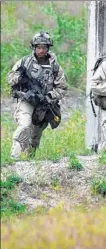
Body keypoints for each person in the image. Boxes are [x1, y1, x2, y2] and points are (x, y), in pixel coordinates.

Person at [7, 31, 67, 159]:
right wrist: (19, 78)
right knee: (24, 125)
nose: (41, 50)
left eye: (44, 47)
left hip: (43, 104)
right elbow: (10, 78)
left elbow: (62, 88)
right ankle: (15, 156)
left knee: (35, 137)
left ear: (48, 48)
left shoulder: (55, 66)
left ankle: (29, 162)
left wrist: (49, 96)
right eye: (38, 47)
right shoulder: (24, 62)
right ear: (34, 47)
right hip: (27, 100)